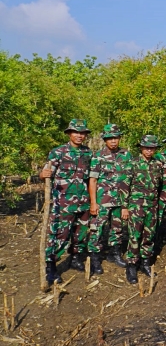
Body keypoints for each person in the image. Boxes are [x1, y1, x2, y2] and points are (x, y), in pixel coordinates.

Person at [40, 119, 93, 285]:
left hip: (84, 201)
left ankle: (76, 258)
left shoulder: (88, 153)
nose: (79, 135)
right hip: (63, 203)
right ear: (70, 134)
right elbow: (46, 172)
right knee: (60, 234)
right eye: (76, 132)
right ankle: (51, 266)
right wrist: (44, 174)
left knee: (81, 232)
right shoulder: (58, 152)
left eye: (82, 133)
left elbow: (92, 176)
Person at [87, 124, 131, 273]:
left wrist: (126, 204)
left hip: (119, 200)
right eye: (110, 138)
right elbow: (92, 180)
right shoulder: (98, 156)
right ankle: (95, 259)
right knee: (97, 229)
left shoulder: (126, 155)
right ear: (105, 140)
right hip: (102, 200)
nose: (113, 141)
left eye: (116, 138)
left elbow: (129, 180)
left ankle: (115, 254)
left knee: (117, 229)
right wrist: (93, 202)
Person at [121, 135, 163, 284]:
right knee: (134, 236)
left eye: (152, 148)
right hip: (136, 206)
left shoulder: (158, 165)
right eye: (146, 148)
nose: (149, 151)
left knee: (149, 236)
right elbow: (124, 186)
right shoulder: (132, 164)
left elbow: (160, 187)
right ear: (141, 148)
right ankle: (131, 265)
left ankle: (145, 263)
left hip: (152, 206)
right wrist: (124, 207)